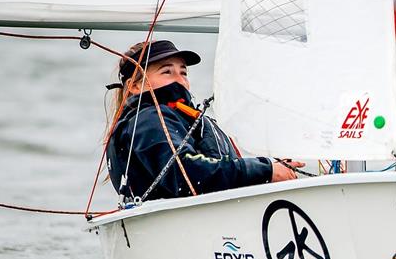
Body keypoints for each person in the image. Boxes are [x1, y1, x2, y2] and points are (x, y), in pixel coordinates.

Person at [106, 40, 302, 202]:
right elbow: (187, 172)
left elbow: (212, 174)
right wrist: (265, 171)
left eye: (183, 72)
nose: (180, 80)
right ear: (134, 86)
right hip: (184, 227)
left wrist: (269, 171)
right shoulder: (150, 119)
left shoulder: (177, 118)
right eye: (167, 72)